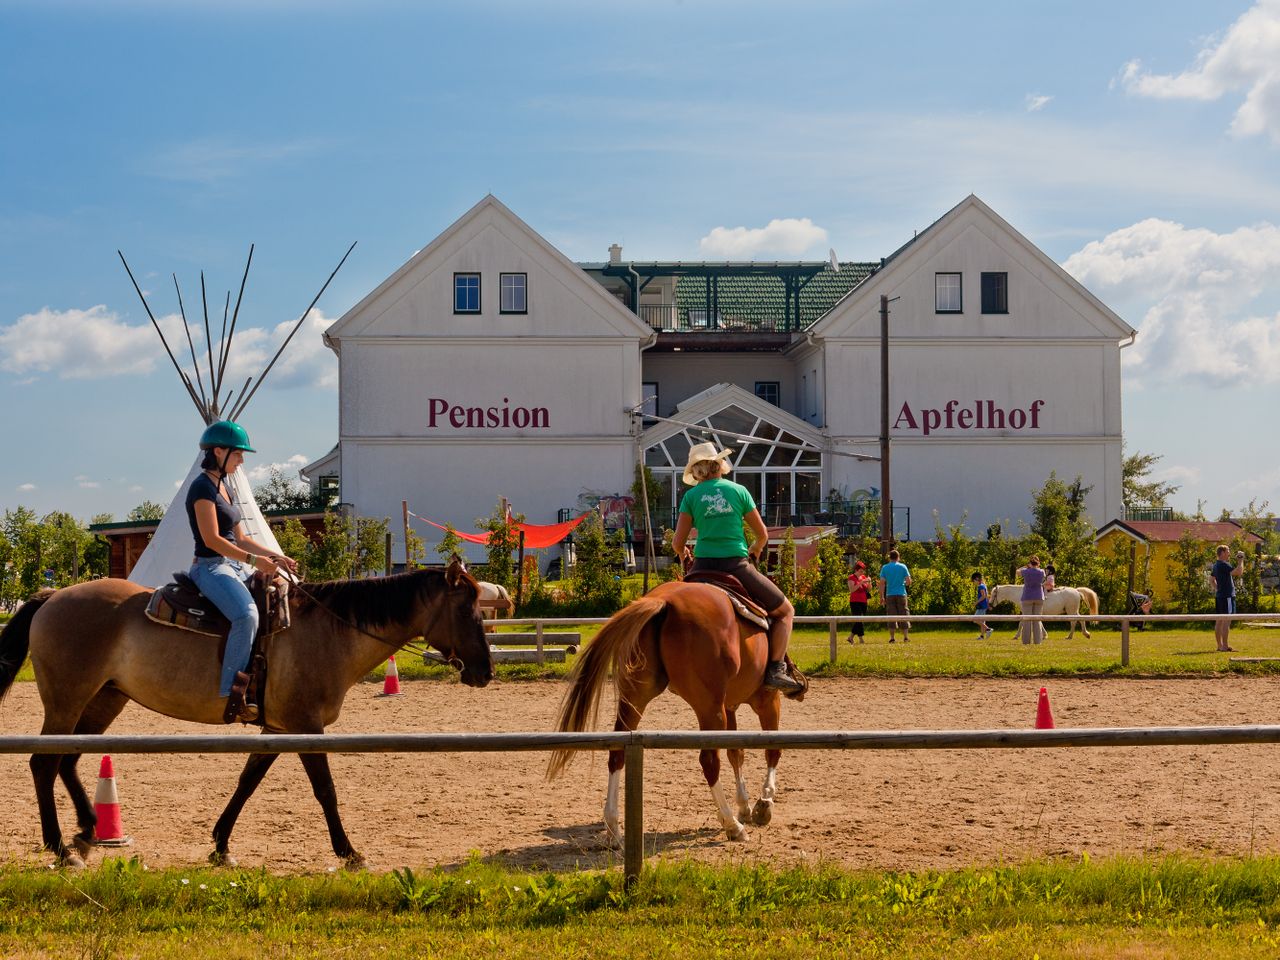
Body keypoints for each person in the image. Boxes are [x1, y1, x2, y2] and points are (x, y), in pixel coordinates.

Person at [186, 420, 299, 722]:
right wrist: (254, 561)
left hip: (234, 565)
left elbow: (243, 538)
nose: (242, 460)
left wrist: (277, 556)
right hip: (211, 567)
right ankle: (230, 693)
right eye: (238, 454)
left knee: (281, 597)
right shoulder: (201, 488)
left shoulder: (225, 488)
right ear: (219, 452)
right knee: (246, 615)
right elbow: (213, 540)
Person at [671, 441, 803, 693]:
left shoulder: (690, 497)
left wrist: (683, 553)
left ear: (696, 471)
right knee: (786, 611)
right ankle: (776, 668)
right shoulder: (739, 491)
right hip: (736, 565)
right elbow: (762, 535)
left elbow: (678, 542)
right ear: (718, 464)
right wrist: (755, 549)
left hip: (701, 567)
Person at [1210, 545, 1245, 653]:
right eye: (1228, 551)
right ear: (1223, 552)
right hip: (1227, 597)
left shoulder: (1216, 565)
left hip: (1220, 596)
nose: (1229, 553)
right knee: (1226, 621)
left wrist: (1218, 589)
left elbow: (1211, 579)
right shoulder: (1224, 564)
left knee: (1219, 621)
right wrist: (1240, 561)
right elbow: (1238, 572)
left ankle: (1220, 646)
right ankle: (1225, 646)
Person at [877, 549, 911, 643]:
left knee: (891, 616)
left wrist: (881, 597)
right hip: (901, 593)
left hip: (889, 594)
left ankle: (892, 638)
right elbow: (908, 582)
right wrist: (903, 583)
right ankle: (905, 637)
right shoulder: (903, 566)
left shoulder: (885, 567)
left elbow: (882, 583)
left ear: (890, 557)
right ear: (898, 557)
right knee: (904, 614)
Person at [1016, 555, 1047, 645]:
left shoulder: (1026, 571)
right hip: (1039, 597)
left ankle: (1026, 641)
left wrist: (1025, 566)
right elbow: (1042, 573)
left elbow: (1017, 572)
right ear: (1038, 563)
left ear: (1030, 563)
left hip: (1027, 596)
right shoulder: (1041, 572)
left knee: (1026, 620)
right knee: (1037, 620)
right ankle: (1038, 641)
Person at [847, 560, 872, 643]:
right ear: (856, 570)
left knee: (860, 620)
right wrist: (860, 583)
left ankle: (850, 637)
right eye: (861, 571)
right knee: (859, 619)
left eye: (863, 571)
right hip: (855, 601)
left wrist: (869, 582)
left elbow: (869, 589)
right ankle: (861, 639)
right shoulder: (851, 577)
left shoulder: (863, 577)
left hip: (863, 601)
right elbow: (852, 590)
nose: (862, 572)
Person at [971, 571, 992, 640]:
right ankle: (982, 636)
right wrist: (988, 605)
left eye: (973, 581)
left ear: (976, 579)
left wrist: (976, 603)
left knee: (975, 619)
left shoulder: (980, 586)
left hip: (981, 606)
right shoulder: (984, 585)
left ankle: (988, 629)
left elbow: (983, 596)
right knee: (982, 622)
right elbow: (987, 596)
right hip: (984, 606)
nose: (973, 583)